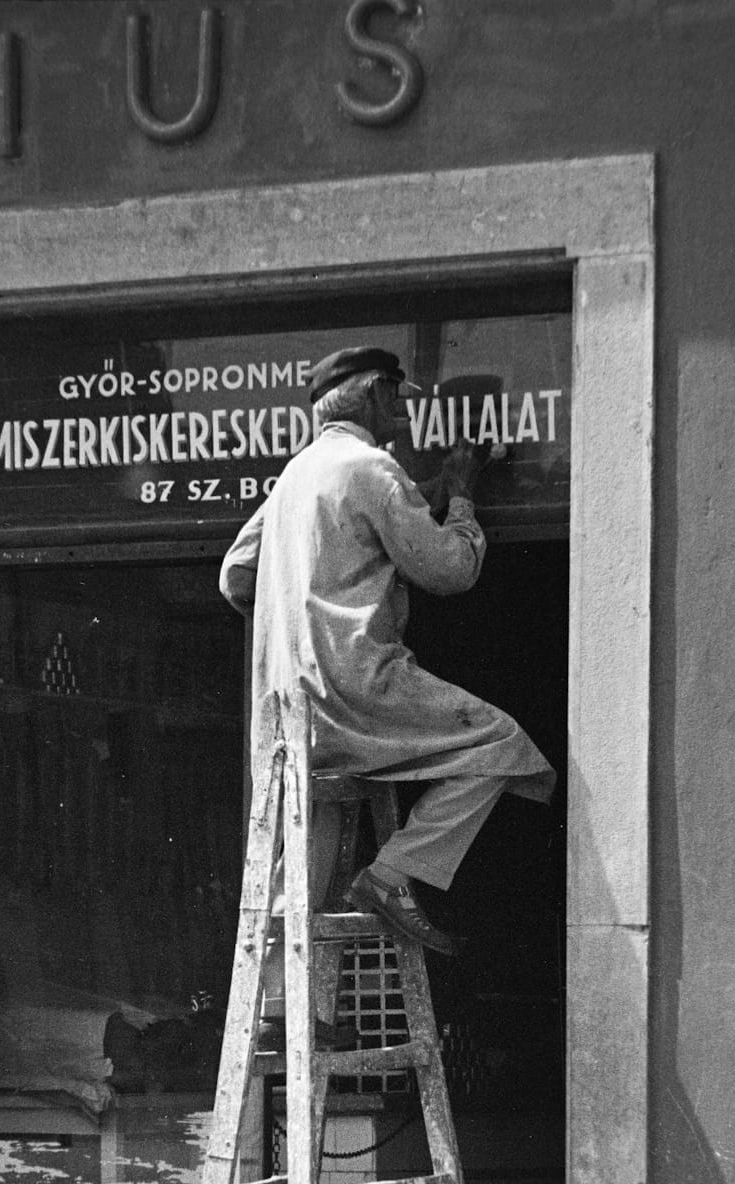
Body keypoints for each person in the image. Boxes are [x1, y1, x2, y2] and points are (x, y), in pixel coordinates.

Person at [220, 344, 555, 965]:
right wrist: (459, 500)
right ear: (374, 393)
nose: (400, 414)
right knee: (502, 746)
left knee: (308, 858)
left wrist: (296, 614)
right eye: (397, 399)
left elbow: (236, 577)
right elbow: (451, 571)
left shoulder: (296, 475)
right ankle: (393, 874)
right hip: (355, 688)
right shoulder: (371, 468)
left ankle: (283, 1008)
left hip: (292, 713)